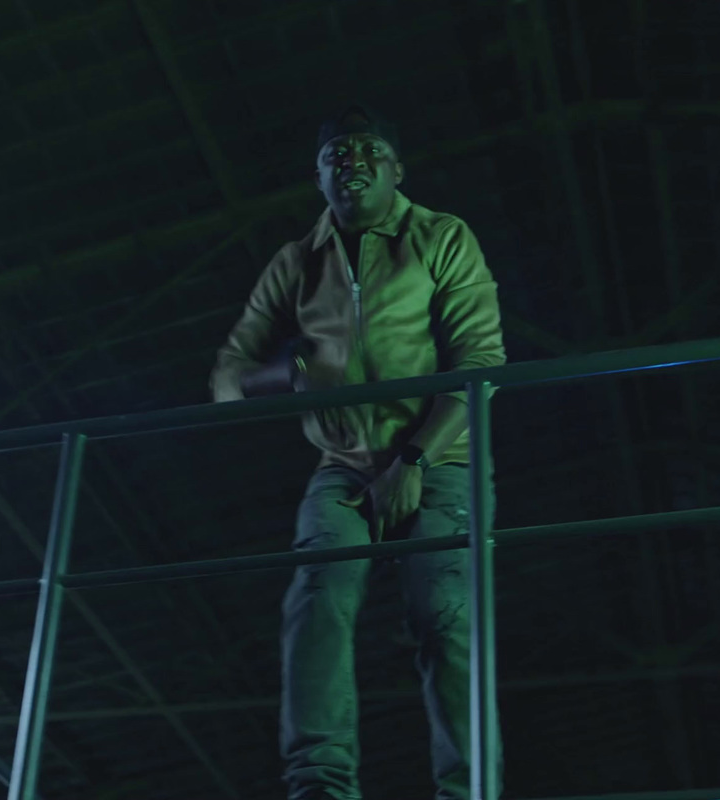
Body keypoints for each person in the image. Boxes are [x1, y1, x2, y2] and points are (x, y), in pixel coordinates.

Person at [210, 104, 507, 800]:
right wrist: (287, 373)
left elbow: (481, 361)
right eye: (336, 156)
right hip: (341, 469)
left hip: (444, 460)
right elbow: (227, 377)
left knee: (447, 616)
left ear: (397, 169)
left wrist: (415, 460)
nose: (353, 165)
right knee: (316, 598)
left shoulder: (442, 237)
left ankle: (470, 791)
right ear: (317, 177)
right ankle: (318, 787)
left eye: (370, 151)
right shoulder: (296, 262)